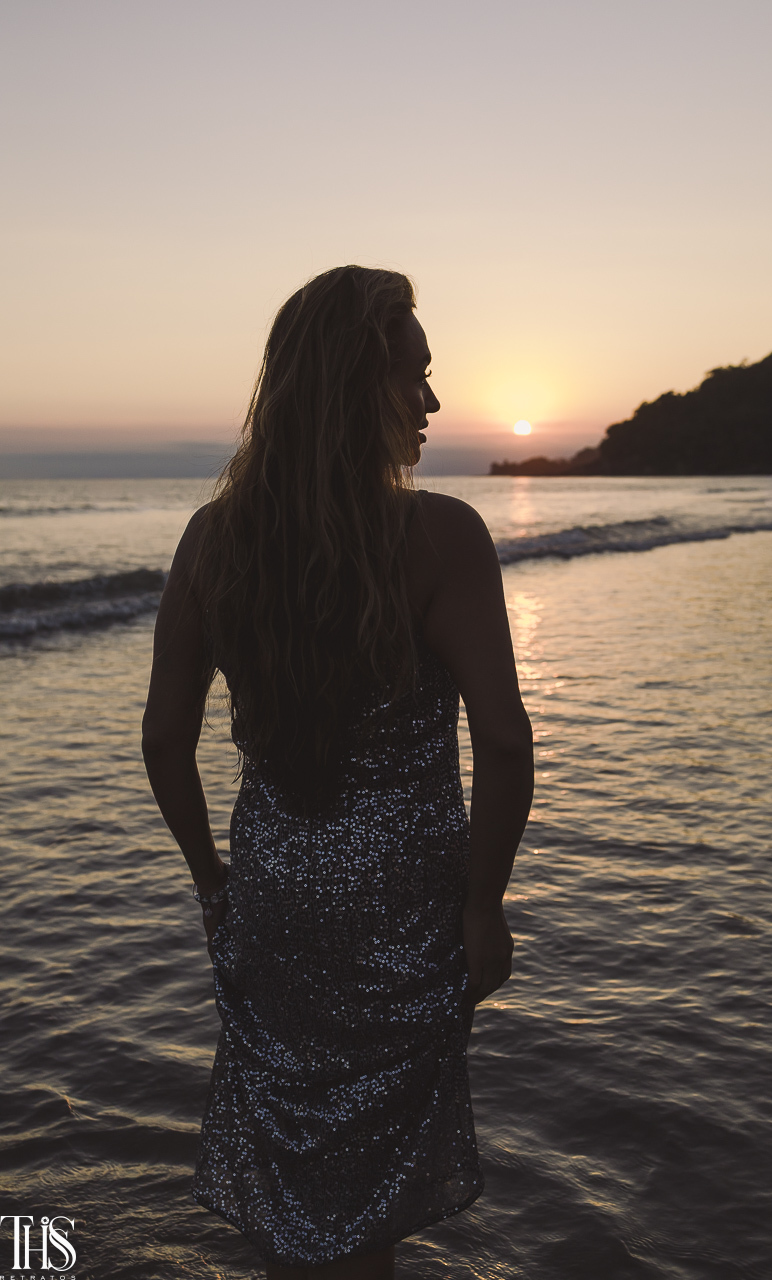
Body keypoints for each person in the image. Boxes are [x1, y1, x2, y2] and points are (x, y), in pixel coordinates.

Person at [141, 266, 534, 1280]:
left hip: (270, 897)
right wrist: (484, 903)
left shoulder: (214, 540)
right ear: (358, 386)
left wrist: (210, 879)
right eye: (417, 377)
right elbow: (502, 738)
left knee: (294, 1180)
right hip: (404, 911)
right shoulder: (441, 537)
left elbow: (163, 738)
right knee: (367, 1199)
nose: (433, 403)